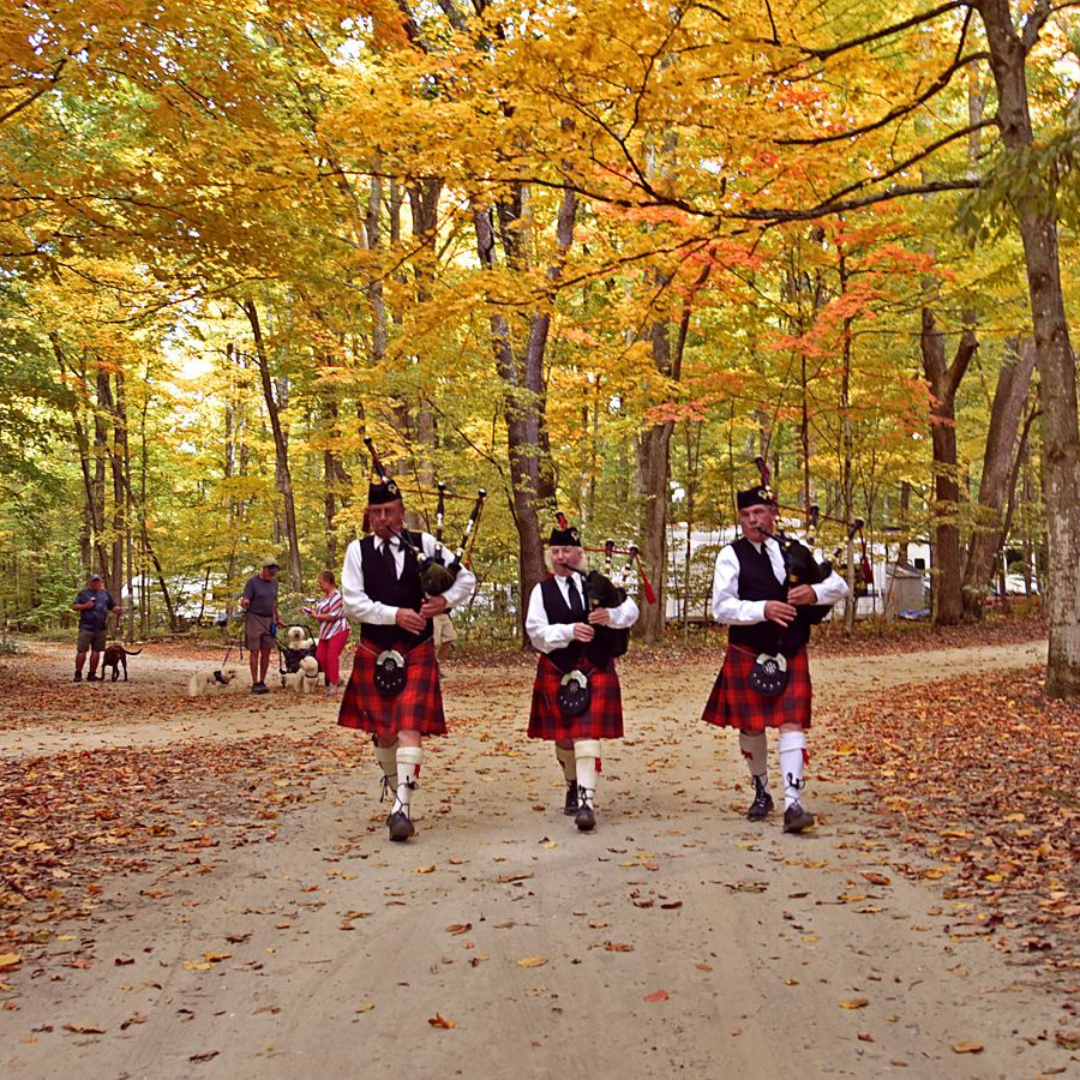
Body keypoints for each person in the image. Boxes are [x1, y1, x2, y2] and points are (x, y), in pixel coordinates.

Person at [701, 486, 849, 833]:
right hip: (748, 650)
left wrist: (814, 592)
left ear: (772, 513)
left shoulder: (794, 550)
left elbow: (838, 585)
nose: (752, 520)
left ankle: (793, 803)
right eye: (745, 515)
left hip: (790, 649)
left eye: (758, 513)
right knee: (751, 727)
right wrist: (763, 609)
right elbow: (721, 607)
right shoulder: (730, 555)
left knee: (791, 721)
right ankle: (762, 789)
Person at [337, 475, 476, 842]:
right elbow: (353, 603)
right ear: (369, 514)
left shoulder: (425, 544)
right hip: (374, 650)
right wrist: (395, 614)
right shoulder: (358, 551)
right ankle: (397, 790)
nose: (383, 518)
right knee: (384, 734)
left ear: (402, 512)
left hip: (416, 651)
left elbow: (465, 579)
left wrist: (445, 601)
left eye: (390, 511)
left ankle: (403, 807)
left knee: (409, 727)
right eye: (376, 511)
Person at [525, 521, 639, 832]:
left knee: (587, 733)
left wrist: (610, 616)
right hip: (557, 669)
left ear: (579, 554)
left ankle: (587, 801)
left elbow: (632, 610)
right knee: (564, 737)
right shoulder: (542, 590)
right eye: (556, 551)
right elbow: (535, 633)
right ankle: (572, 783)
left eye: (567, 551)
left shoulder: (597, 582)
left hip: (595, 667)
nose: (561, 557)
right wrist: (568, 631)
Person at [305, 570, 350, 699]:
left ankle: (333, 685)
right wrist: (312, 613)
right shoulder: (324, 597)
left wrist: (317, 616)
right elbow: (321, 612)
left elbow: (333, 615)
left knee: (331, 656)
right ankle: (336, 678)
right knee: (320, 655)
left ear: (328, 582)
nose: (319, 585)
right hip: (325, 631)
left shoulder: (337, 596)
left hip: (338, 629)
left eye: (321, 582)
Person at [240, 557, 281, 694]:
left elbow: (274, 602)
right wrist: (245, 602)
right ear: (264, 569)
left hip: (269, 619)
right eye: (270, 572)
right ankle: (255, 682)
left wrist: (277, 618)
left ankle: (263, 680)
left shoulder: (274, 583)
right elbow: (246, 598)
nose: (272, 575)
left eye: (274, 572)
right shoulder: (252, 582)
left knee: (267, 650)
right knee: (254, 650)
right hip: (254, 618)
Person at [72, 573, 121, 682]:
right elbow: (74, 606)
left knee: (96, 651)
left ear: (101, 583)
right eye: (94, 581)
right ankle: (78, 674)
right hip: (86, 627)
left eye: (98, 581)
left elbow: (111, 606)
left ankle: (92, 674)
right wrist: (85, 606)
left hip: (101, 627)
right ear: (90, 582)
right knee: (82, 651)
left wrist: (116, 609)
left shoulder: (105, 594)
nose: (96, 583)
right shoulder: (83, 594)